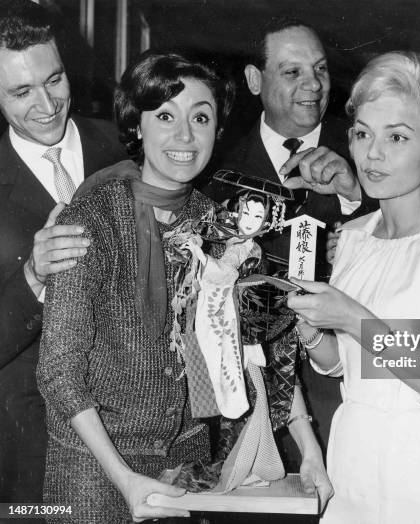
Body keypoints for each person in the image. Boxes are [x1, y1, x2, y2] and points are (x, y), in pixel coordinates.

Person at [37, 50, 331, 523]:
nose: (184, 135)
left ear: (218, 130)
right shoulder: (91, 217)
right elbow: (58, 373)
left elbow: (258, 342)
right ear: (137, 126)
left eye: (200, 117)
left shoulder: (216, 224)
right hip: (93, 469)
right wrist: (125, 479)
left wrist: (309, 447)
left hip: (186, 462)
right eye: (165, 116)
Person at [288, 51, 420, 523]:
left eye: (397, 137)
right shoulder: (356, 235)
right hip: (353, 461)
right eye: (362, 134)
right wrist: (314, 333)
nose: (372, 154)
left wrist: (350, 317)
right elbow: (343, 365)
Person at [202, 17, 375, 471]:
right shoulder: (216, 169)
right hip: (251, 399)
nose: (313, 85)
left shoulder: (368, 150)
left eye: (319, 69)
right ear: (255, 80)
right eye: (292, 72)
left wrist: (355, 196)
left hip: (349, 388)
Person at [0, 0, 126, 503]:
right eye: (21, 91)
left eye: (54, 80)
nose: (47, 104)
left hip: (139, 436)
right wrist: (32, 277)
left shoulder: (132, 146)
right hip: (33, 453)